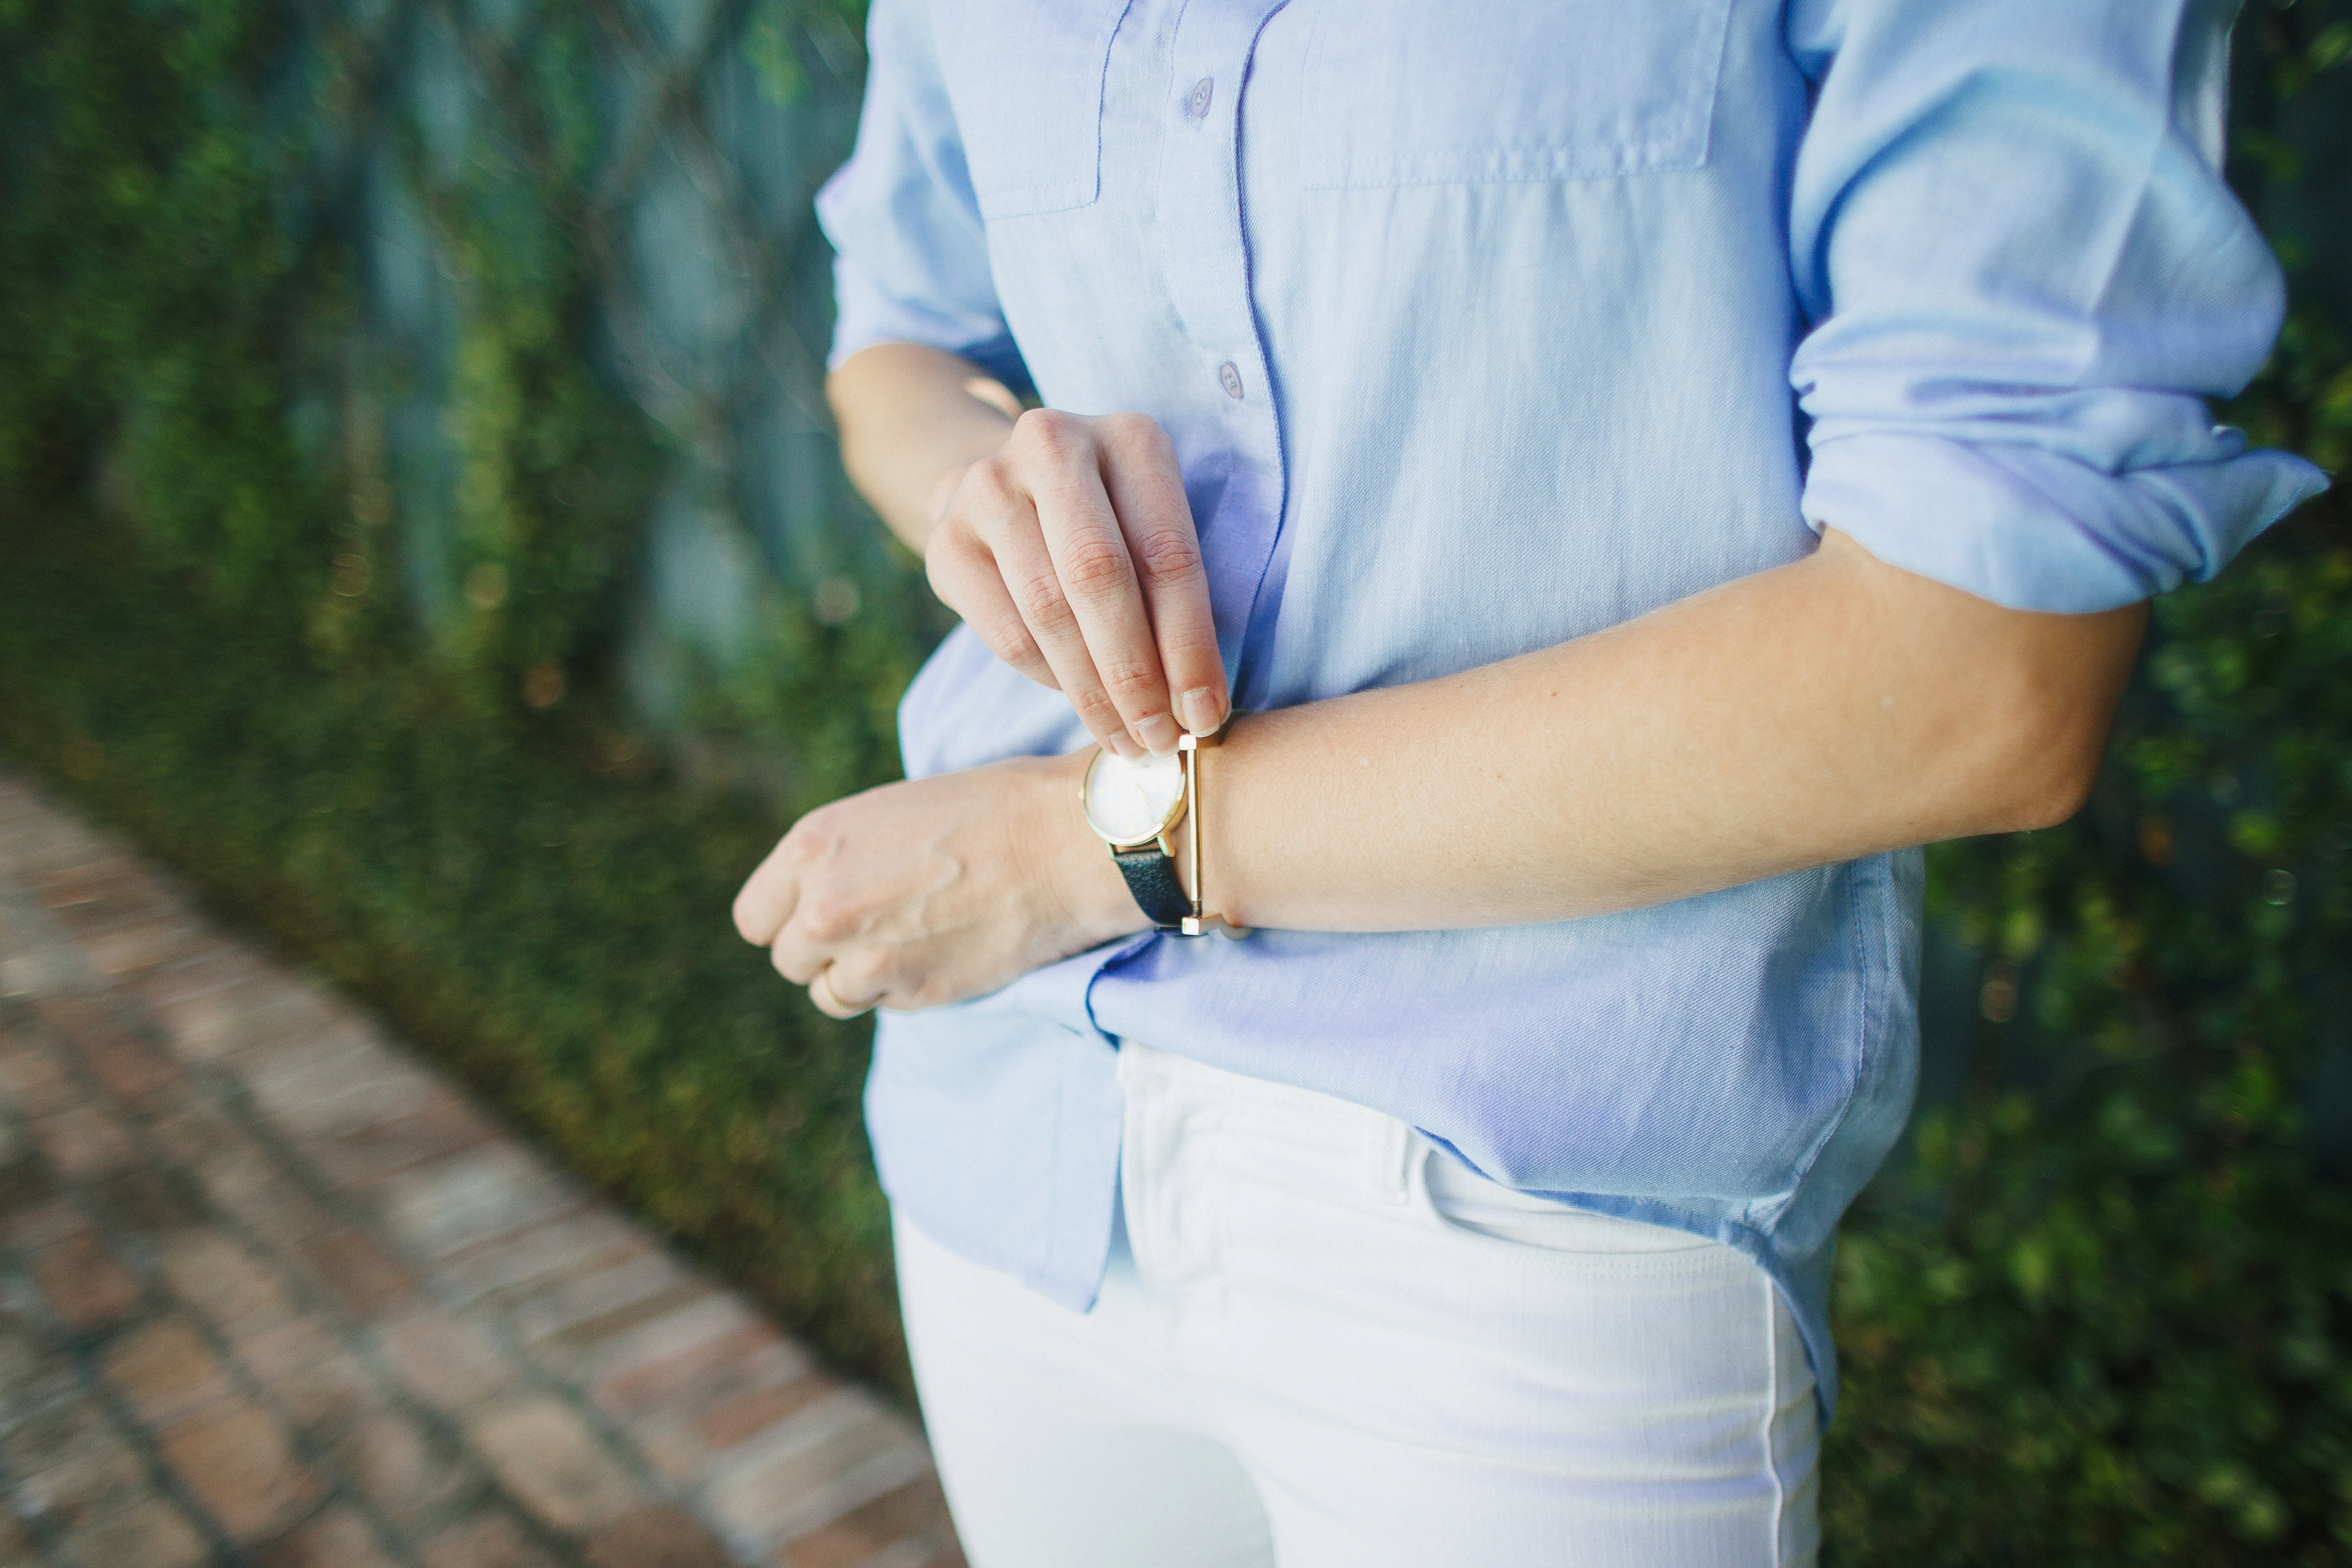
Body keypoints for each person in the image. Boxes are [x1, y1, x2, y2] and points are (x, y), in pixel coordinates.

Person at [731, 1, 2326, 1562]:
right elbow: (897, 346)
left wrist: (1086, 850)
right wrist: (986, 491)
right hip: (1019, 1136)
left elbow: (1979, 681)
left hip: (1532, 1212)